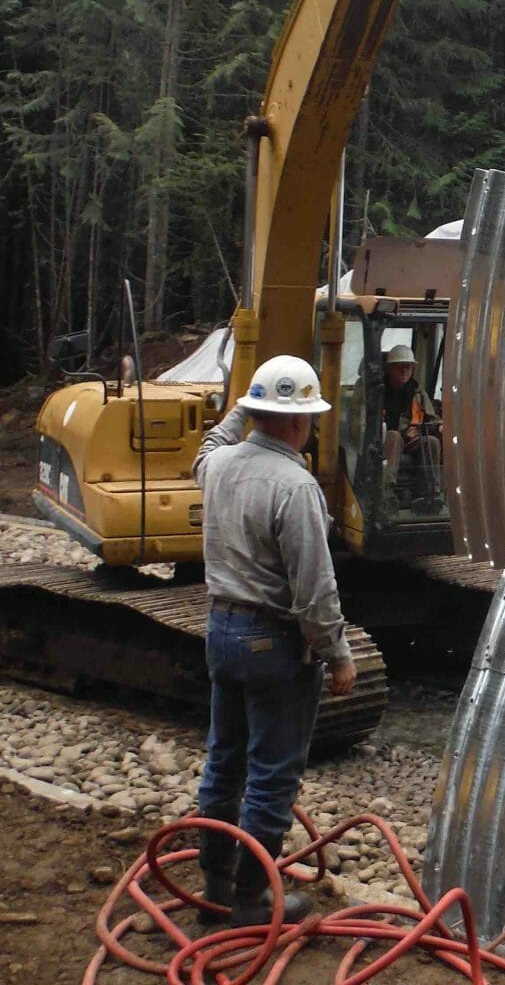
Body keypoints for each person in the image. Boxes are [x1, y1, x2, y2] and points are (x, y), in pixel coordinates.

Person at [192, 354, 357, 928]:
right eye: (309, 417)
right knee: (271, 776)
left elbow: (210, 443)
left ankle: (216, 886)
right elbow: (315, 589)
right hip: (273, 642)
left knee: (225, 760)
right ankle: (251, 899)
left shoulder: (217, 466)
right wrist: (338, 654)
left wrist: (241, 406)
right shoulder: (296, 485)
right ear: (297, 421)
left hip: (221, 629)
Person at [380, 344, 442, 502]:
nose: (404, 371)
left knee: (432, 442)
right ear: (390, 369)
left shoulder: (417, 392)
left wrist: (439, 427)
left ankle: (430, 493)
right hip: (384, 439)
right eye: (400, 367)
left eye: (408, 367)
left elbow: (432, 418)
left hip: (412, 440)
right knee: (393, 437)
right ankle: (387, 493)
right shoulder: (378, 391)